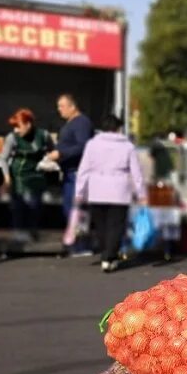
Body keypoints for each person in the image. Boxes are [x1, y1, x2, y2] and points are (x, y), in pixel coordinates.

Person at [74, 114, 146, 272]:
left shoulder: (92, 145)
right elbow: (137, 172)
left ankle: (106, 254)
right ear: (118, 128)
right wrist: (141, 193)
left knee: (101, 226)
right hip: (119, 191)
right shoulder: (127, 146)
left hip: (96, 190)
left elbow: (83, 170)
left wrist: (80, 191)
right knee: (116, 226)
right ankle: (109, 256)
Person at [47, 93, 94, 255]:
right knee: (70, 210)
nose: (59, 110)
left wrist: (61, 154)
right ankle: (74, 243)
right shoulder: (70, 123)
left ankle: (81, 246)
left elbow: (83, 146)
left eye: (62, 106)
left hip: (77, 174)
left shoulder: (81, 123)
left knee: (77, 211)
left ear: (72, 106)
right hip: (69, 173)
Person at [0, 108, 52, 243]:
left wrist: (49, 162)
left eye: (18, 126)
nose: (16, 130)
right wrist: (7, 179)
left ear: (28, 124)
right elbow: (3, 159)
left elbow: (53, 152)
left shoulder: (44, 135)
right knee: (19, 207)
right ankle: (19, 235)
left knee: (35, 208)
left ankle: (33, 234)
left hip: (37, 177)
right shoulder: (12, 137)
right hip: (19, 176)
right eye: (14, 127)